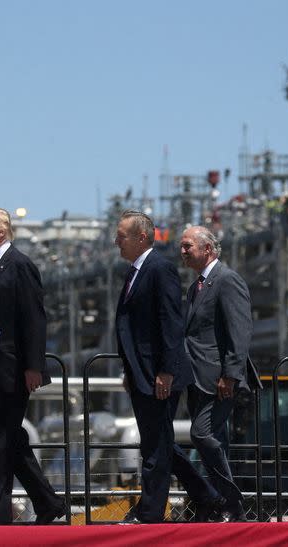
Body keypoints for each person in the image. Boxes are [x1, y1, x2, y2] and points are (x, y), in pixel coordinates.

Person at [0, 207, 66, 525]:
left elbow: (34, 319)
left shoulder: (20, 266)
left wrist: (34, 366)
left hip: (12, 366)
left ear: (1, 231)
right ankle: (47, 503)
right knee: (9, 440)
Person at [114, 210, 212, 524]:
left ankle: (150, 514)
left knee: (155, 448)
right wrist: (130, 372)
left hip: (160, 375)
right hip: (142, 373)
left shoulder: (160, 269)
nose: (117, 241)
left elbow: (171, 322)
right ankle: (209, 497)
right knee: (160, 443)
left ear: (141, 237)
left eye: (122, 236)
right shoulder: (135, 271)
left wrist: (166, 371)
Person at [179, 226, 259, 523]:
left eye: (188, 246)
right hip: (197, 378)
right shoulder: (195, 286)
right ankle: (221, 507)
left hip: (220, 380)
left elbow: (240, 331)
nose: (182, 251)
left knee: (202, 434)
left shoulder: (227, 280)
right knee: (214, 440)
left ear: (208, 249)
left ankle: (230, 500)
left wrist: (231, 374)